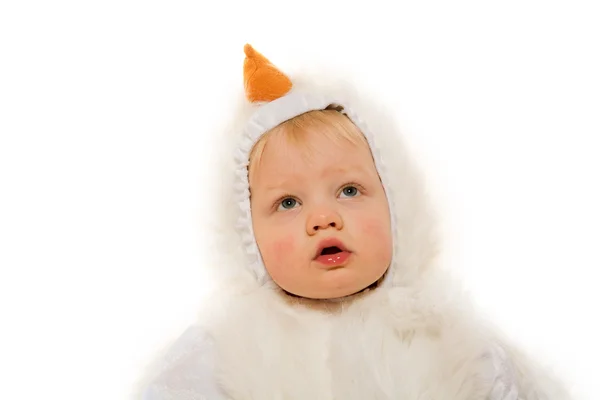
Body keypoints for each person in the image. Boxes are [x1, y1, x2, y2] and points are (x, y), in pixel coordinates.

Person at [139, 44, 569, 399]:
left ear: (399, 206)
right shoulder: (222, 358)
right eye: (288, 203)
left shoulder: (453, 344)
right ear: (246, 236)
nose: (324, 219)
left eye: (349, 191)